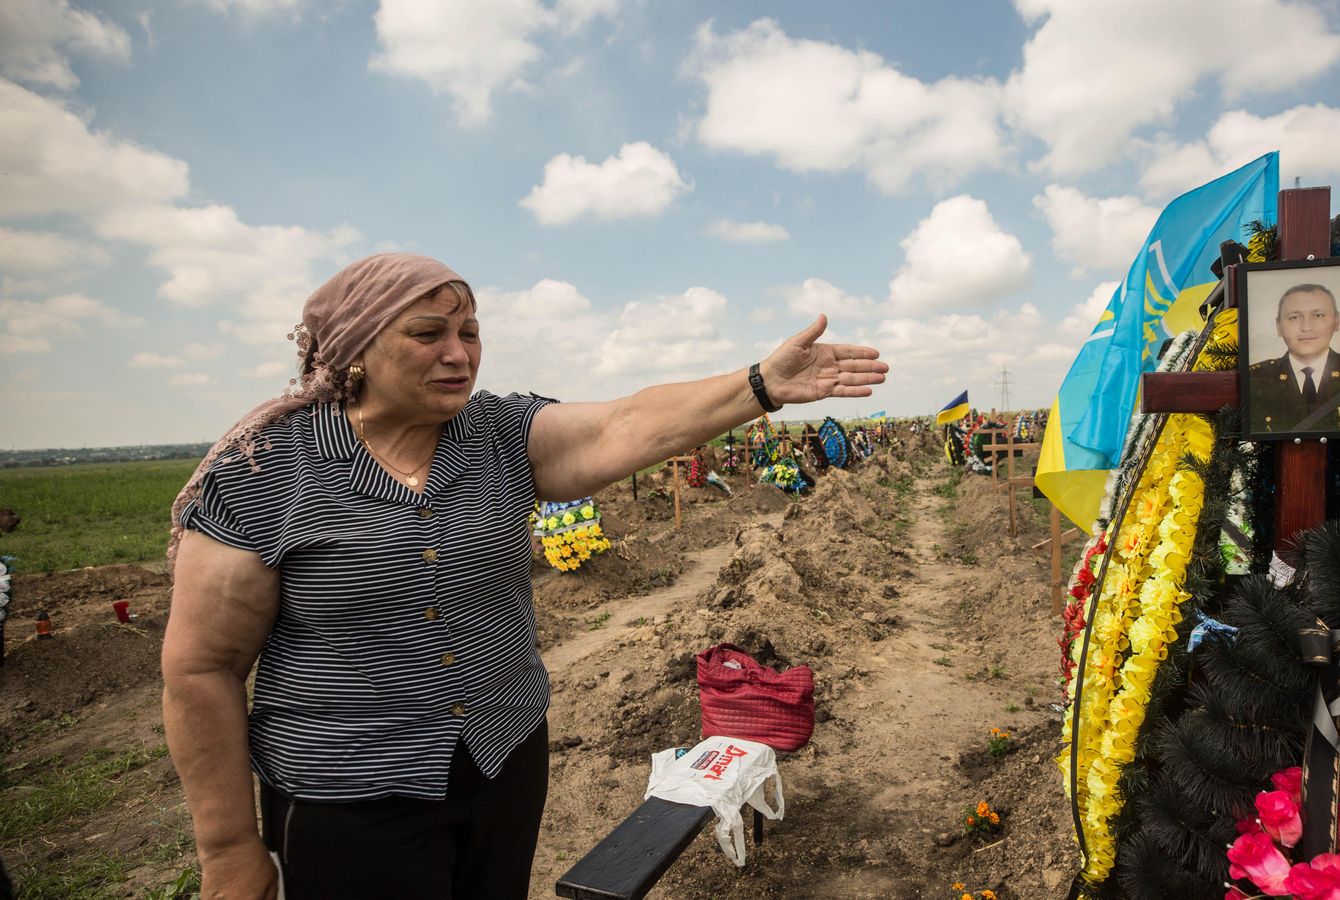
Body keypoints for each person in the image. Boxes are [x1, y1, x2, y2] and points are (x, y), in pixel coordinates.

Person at [161, 253, 887, 900]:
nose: (458, 354)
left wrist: (760, 384)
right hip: (348, 798)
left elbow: (623, 423)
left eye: (469, 332)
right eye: (428, 333)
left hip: (501, 761)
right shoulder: (263, 470)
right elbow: (202, 667)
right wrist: (227, 849)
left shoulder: (498, 435)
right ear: (355, 348)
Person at [1247, 282, 1340, 435]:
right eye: (1294, 317)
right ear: (1278, 326)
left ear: (1336, 321)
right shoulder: (1255, 378)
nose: (1306, 327)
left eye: (1318, 315)